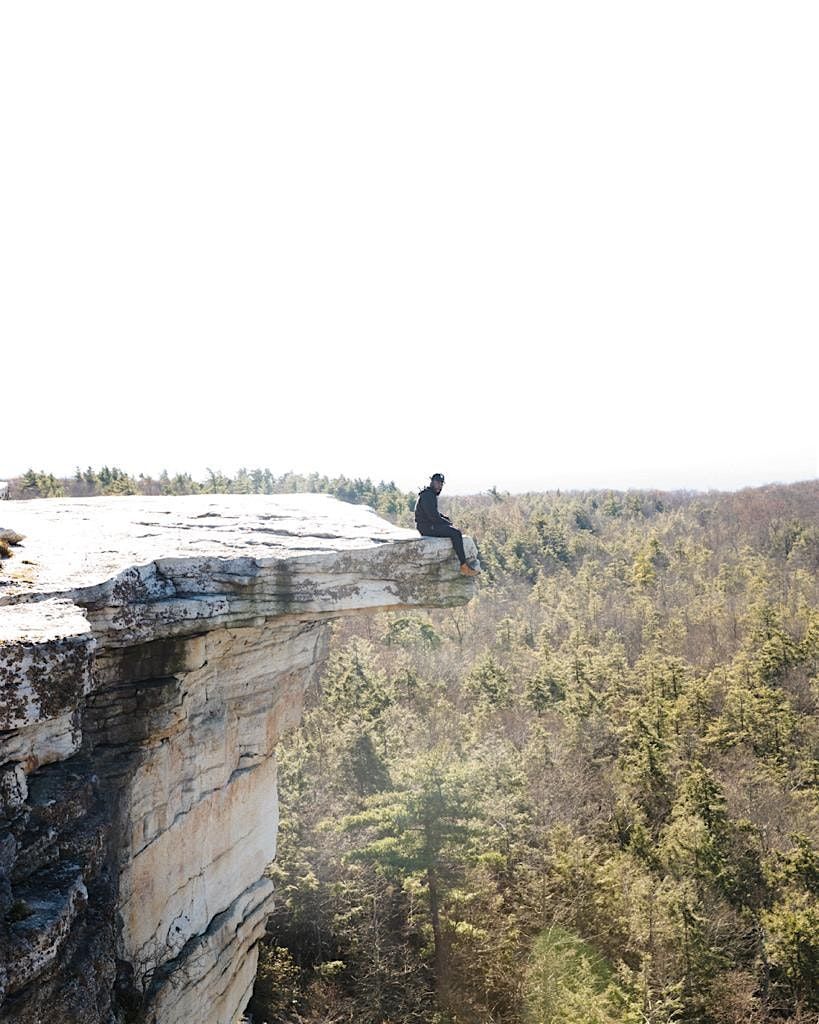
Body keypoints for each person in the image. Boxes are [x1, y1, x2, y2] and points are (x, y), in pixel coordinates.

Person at [415, 473, 478, 576]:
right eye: (437, 483)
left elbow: (433, 513)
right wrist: (447, 523)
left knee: (451, 527)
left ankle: (464, 565)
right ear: (432, 482)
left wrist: (444, 518)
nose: (439, 486)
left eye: (441, 484)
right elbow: (433, 517)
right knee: (456, 533)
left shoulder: (429, 494)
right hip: (427, 528)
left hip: (427, 526)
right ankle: (463, 566)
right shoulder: (428, 495)